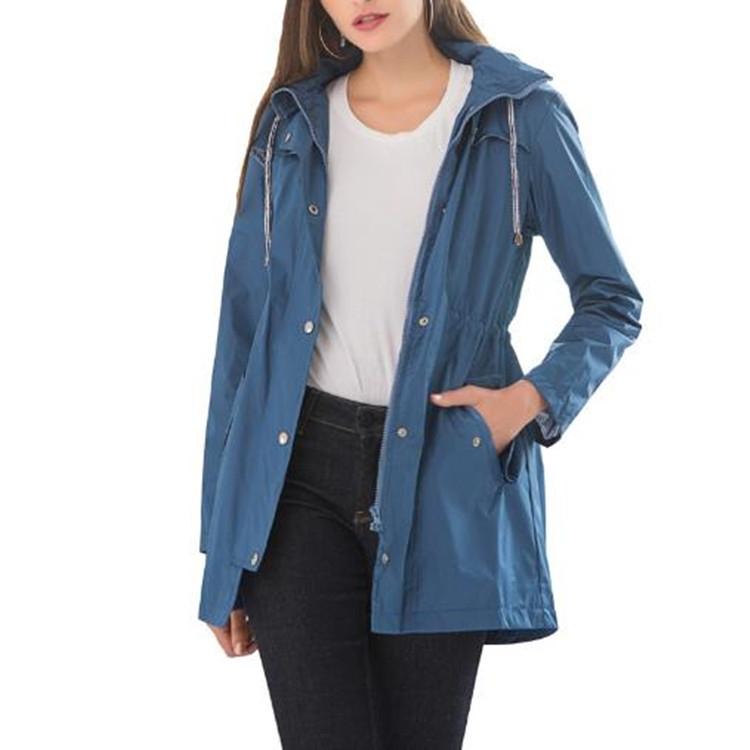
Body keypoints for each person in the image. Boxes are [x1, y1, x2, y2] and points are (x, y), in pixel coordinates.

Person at [197, 1, 644, 747]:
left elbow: (611, 300)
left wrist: (529, 400)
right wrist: (222, 548)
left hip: (444, 477)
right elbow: (242, 342)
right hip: (294, 478)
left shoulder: (518, 118)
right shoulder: (291, 124)